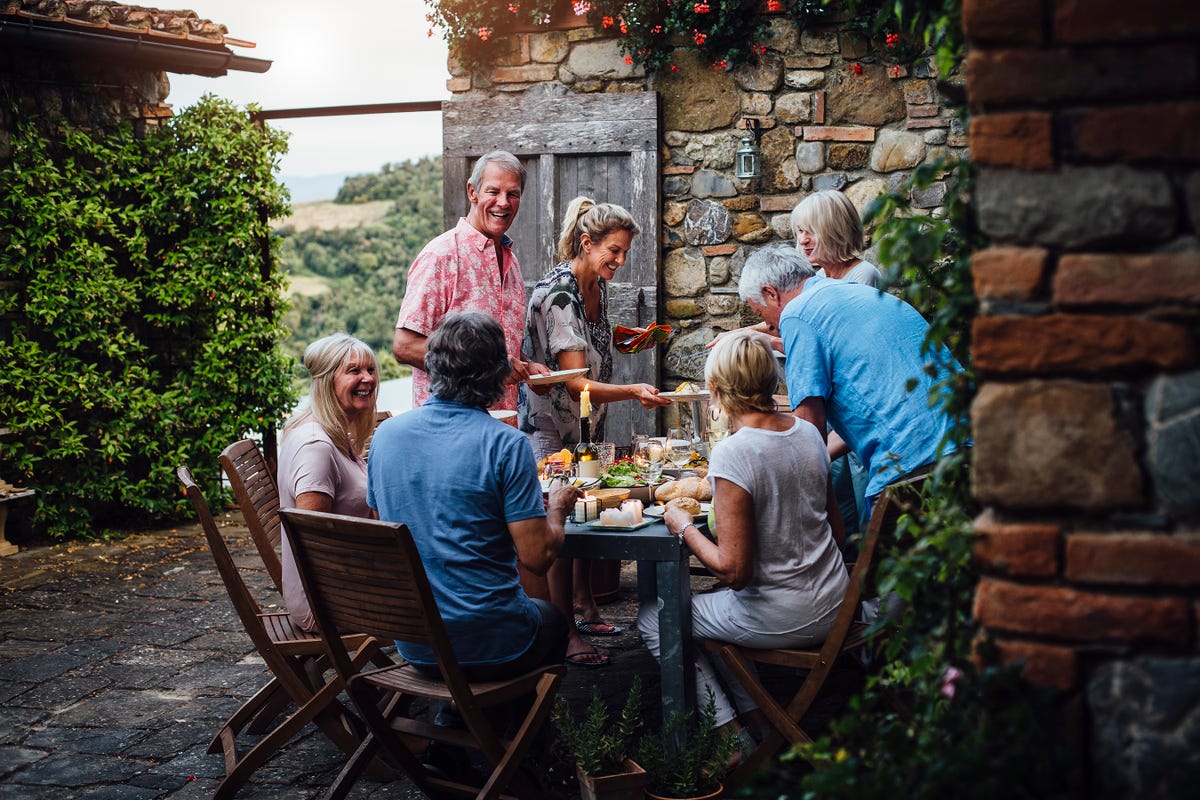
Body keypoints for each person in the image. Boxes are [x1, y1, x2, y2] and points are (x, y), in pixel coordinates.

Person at [637, 330, 848, 741]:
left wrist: (681, 525)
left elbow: (735, 571)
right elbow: (836, 533)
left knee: (653, 617)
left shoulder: (734, 452)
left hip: (786, 617)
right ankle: (756, 719)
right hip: (836, 601)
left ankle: (729, 736)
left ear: (715, 391)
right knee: (720, 605)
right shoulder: (807, 433)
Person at [369, 312, 576, 679]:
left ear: (432, 365)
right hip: (492, 640)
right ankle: (518, 729)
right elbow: (537, 559)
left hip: (415, 642)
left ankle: (461, 716)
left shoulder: (386, 436)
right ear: (497, 375)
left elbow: (380, 528)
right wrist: (557, 508)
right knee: (555, 621)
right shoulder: (506, 445)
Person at [520, 196, 671, 668]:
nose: (621, 262)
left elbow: (592, 350)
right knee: (563, 526)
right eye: (614, 251)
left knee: (586, 510)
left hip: (585, 424)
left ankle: (585, 604)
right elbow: (576, 380)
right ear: (586, 243)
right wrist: (632, 391)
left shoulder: (594, 288)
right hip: (550, 426)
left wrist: (630, 338)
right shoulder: (562, 295)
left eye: (625, 252)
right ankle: (565, 633)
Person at [737, 243, 961, 507]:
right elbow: (872, 409)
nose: (770, 326)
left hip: (913, 464)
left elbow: (809, 428)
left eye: (759, 312)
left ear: (771, 294)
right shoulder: (854, 293)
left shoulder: (797, 314)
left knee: (883, 546)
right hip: (968, 437)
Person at [392, 150, 547, 411]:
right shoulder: (441, 255)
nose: (503, 202)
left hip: (502, 431)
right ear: (472, 192)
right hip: (450, 432)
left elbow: (500, 351)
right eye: (493, 191)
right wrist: (489, 368)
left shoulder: (513, 263)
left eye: (513, 194)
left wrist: (526, 367)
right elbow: (405, 346)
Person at [278, 332, 379, 633]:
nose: (368, 379)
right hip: (326, 603)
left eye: (371, 370)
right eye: (354, 371)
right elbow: (314, 543)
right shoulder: (316, 447)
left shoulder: (331, 432)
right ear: (326, 381)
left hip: (342, 586)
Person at [790, 189, 879, 532]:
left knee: (860, 503)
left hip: (853, 408)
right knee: (836, 502)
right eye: (798, 231)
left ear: (834, 229)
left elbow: (846, 345)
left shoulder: (862, 276)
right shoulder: (819, 281)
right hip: (829, 411)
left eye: (809, 230)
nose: (802, 240)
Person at [791, 189, 883, 287]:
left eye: (812, 231)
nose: (802, 241)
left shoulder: (864, 275)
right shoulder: (818, 277)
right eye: (800, 231)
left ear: (838, 232)